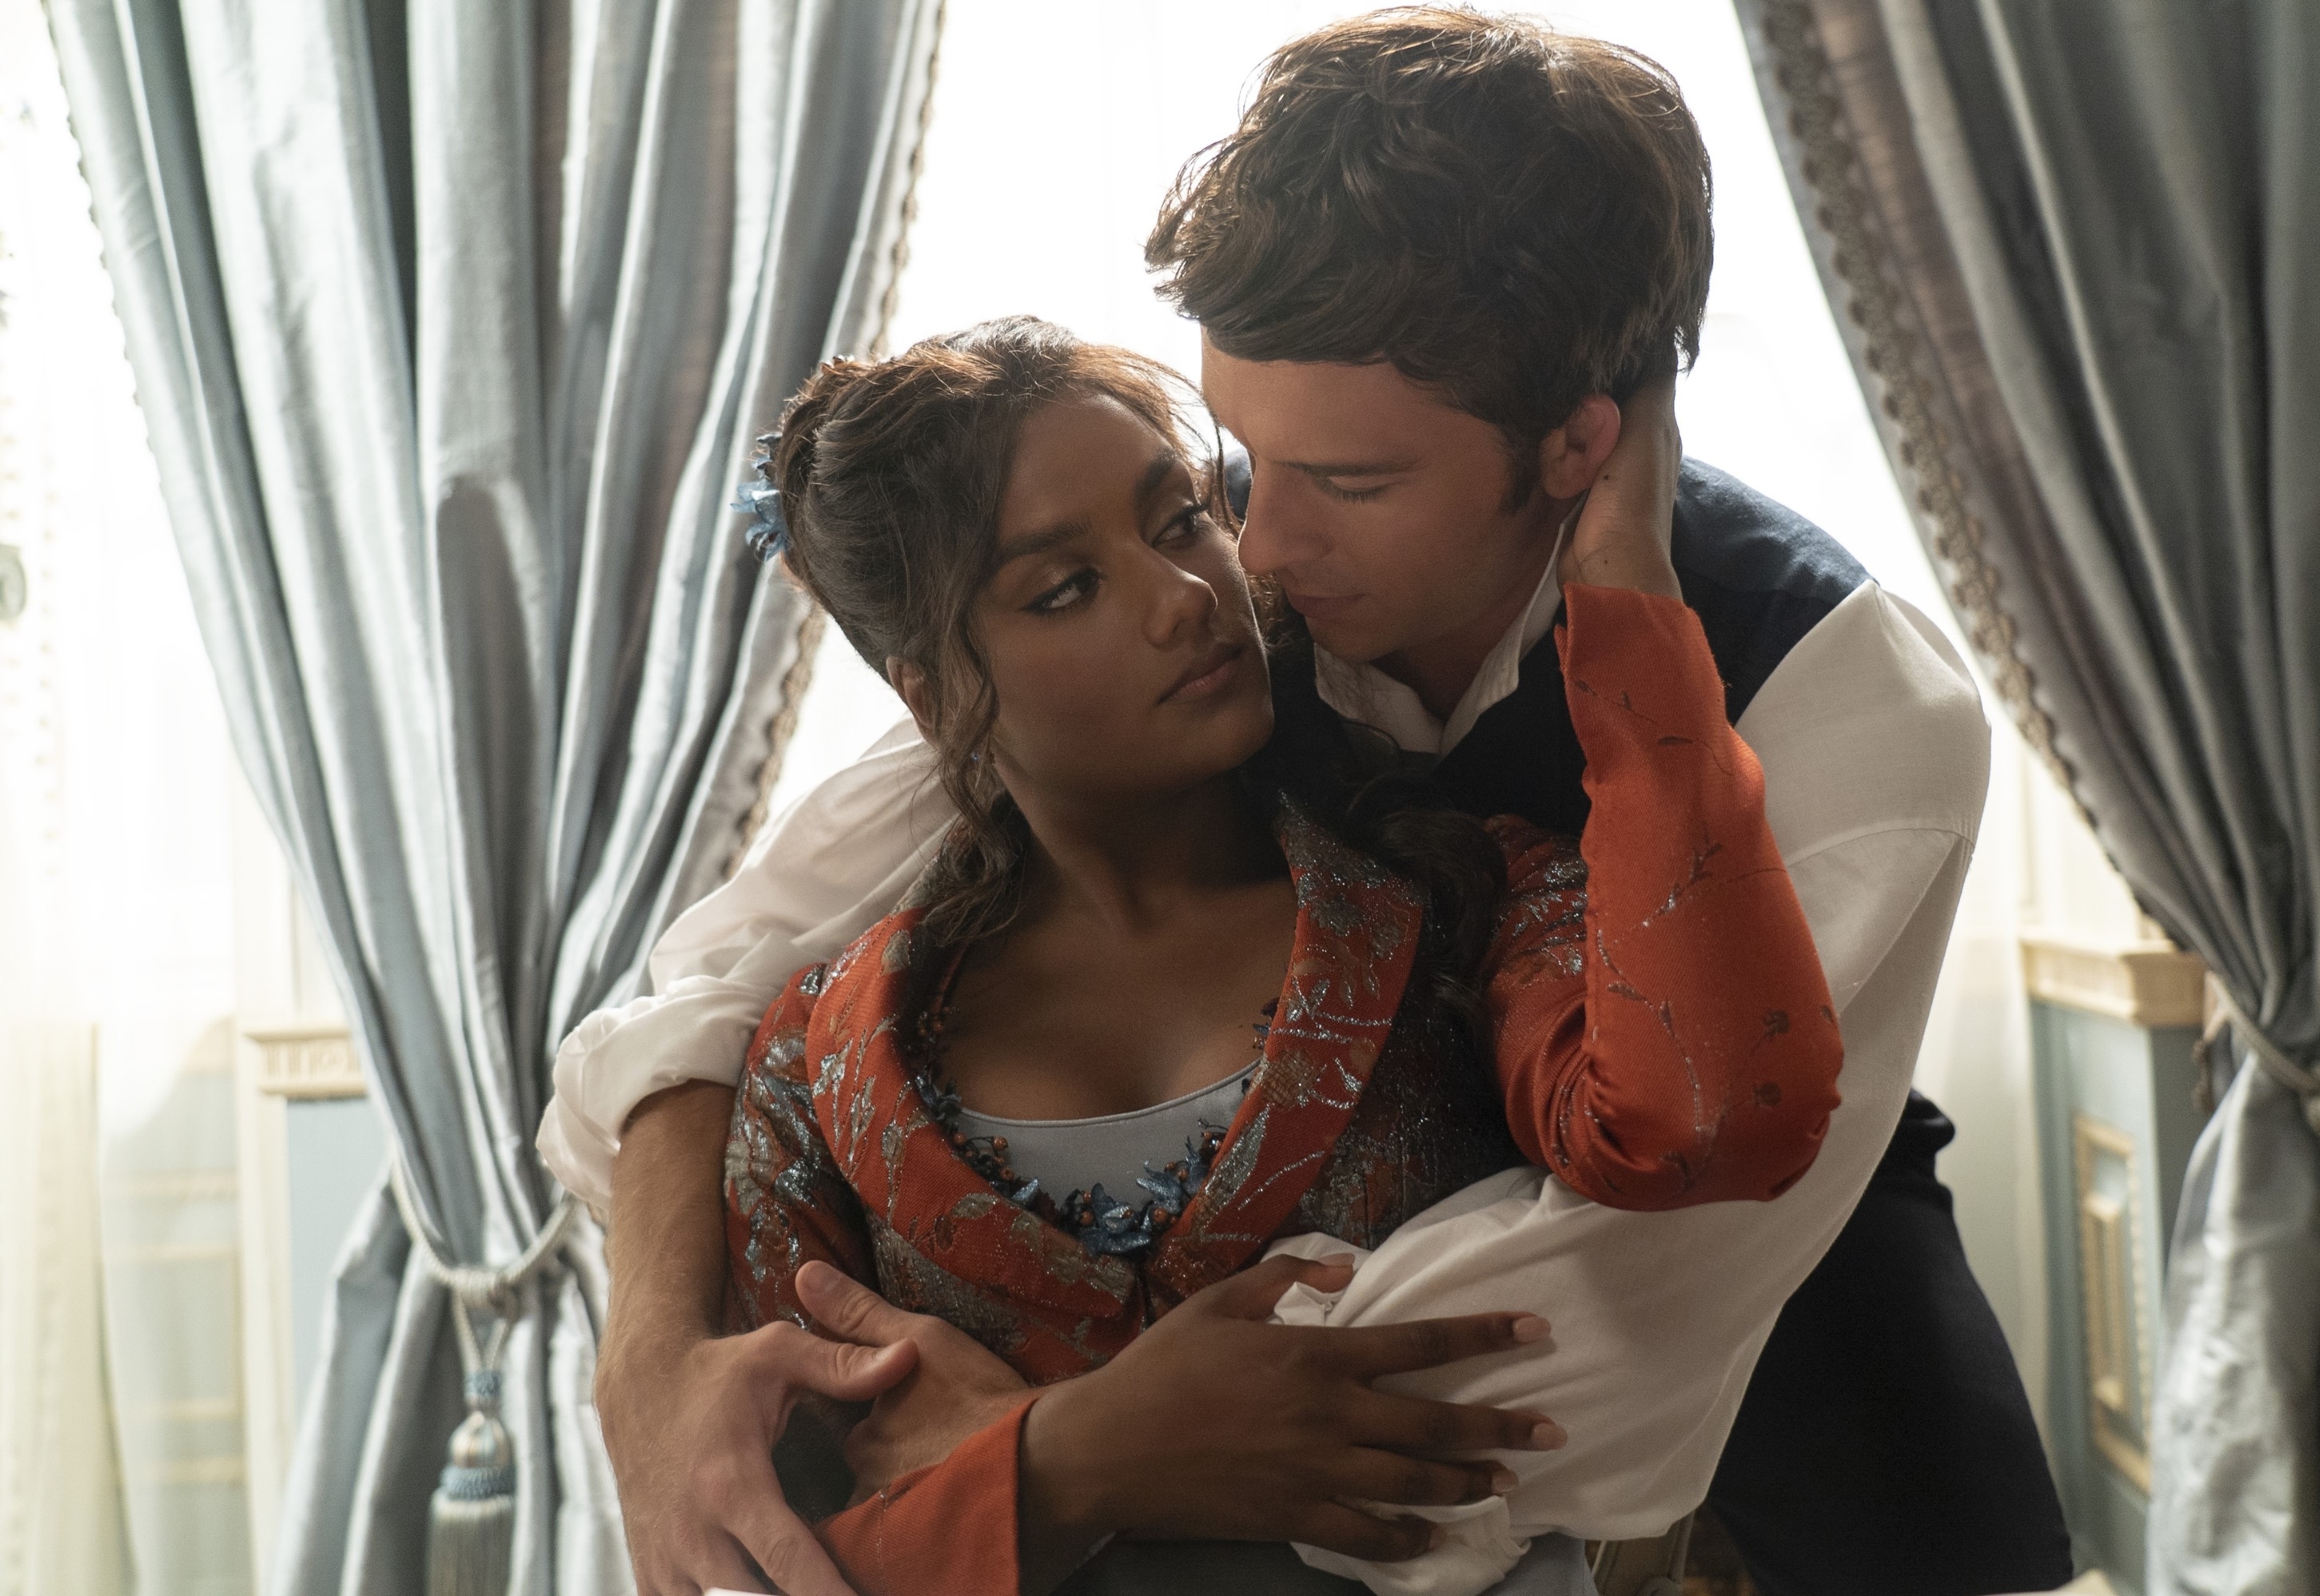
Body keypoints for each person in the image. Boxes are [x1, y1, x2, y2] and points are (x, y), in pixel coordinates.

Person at [542, 11, 2068, 1595]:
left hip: (1805, 1457)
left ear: (1576, 448)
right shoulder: (1206, 584)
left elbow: (1605, 1305)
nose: (1249, 562)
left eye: (1342, 486)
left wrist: (1065, 1453)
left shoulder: (1855, 706)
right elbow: (720, 986)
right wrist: (648, 1364)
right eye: (1239, 462)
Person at [712, 317, 1840, 1595]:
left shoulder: (1459, 900)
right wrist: (1079, 1460)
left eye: (1180, 517)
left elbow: (1699, 1122)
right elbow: (772, 1550)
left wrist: (1629, 580)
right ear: (930, 695)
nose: (1186, 598)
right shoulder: (818, 1068)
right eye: (1066, 588)